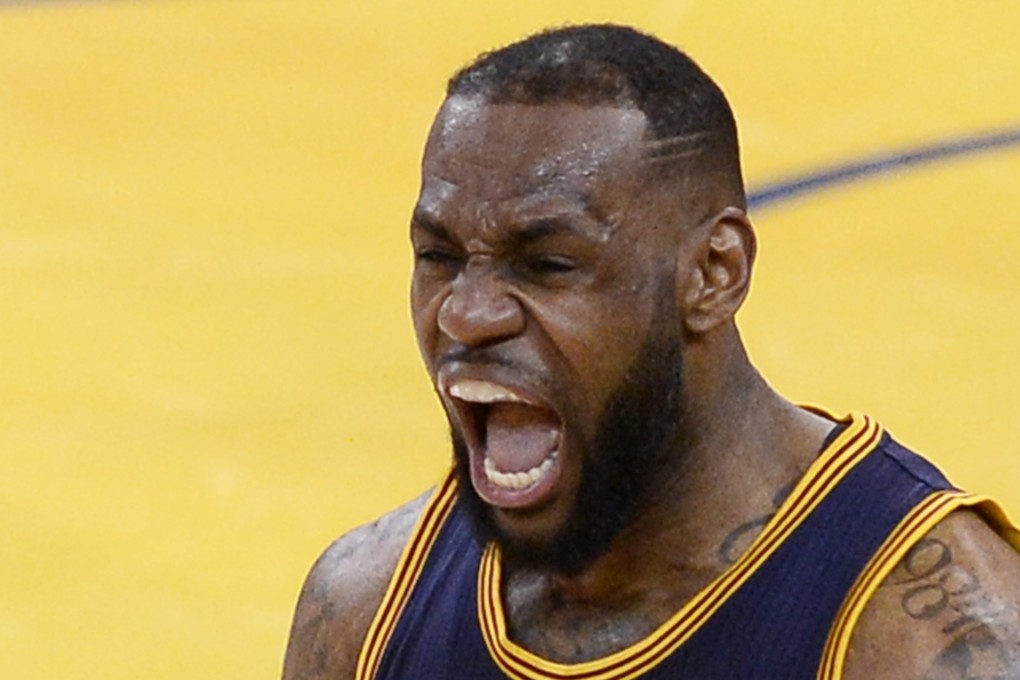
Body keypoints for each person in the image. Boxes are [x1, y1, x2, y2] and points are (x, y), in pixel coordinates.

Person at [282, 24, 1020, 679]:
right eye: (439, 256)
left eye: (548, 264)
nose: (468, 315)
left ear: (713, 274)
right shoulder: (365, 610)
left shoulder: (923, 643)